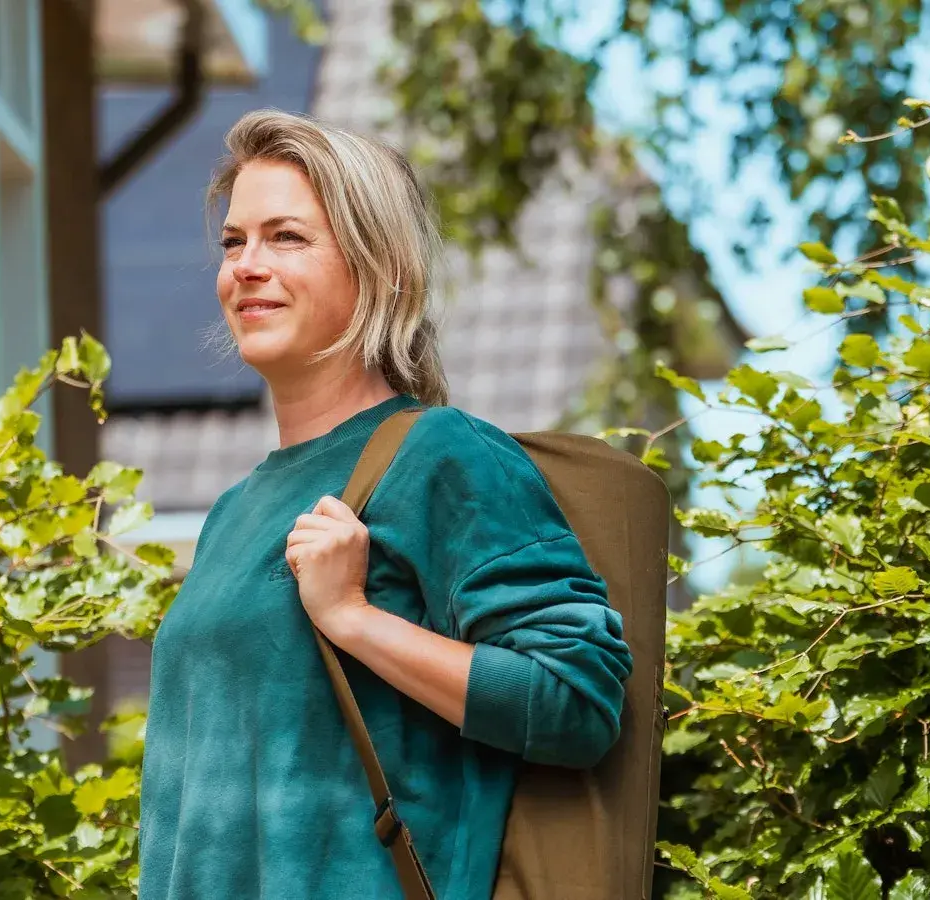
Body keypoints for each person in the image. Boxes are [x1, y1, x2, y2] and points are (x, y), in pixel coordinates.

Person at [136, 109, 632, 900]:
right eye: (233, 242)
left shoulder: (443, 455)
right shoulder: (234, 510)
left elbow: (576, 700)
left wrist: (354, 618)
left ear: (380, 269)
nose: (247, 266)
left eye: (286, 238)